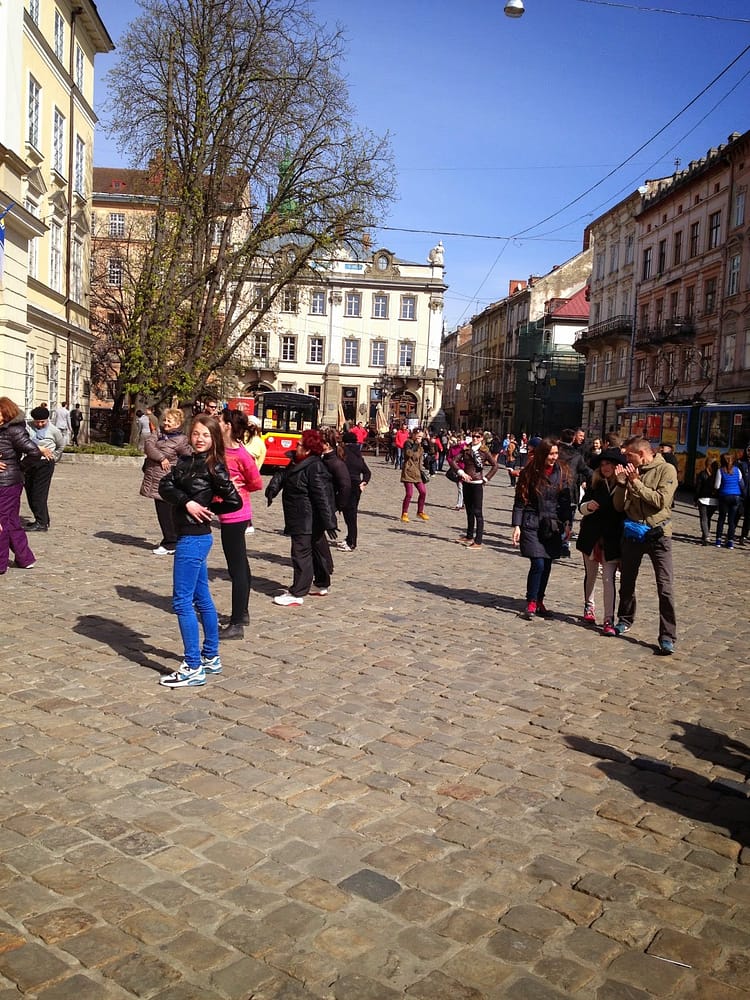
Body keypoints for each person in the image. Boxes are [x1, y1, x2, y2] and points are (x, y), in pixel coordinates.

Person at [157, 415, 242, 687]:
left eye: (205, 434)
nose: (200, 438)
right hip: (190, 535)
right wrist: (188, 503)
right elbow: (165, 485)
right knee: (201, 597)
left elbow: (234, 500)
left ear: (214, 438)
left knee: (182, 602)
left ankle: (193, 665)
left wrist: (205, 510)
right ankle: (210, 656)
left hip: (194, 538)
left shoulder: (214, 466)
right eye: (196, 433)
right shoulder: (186, 461)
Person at [612, 436, 678, 655]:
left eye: (628, 454)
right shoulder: (630, 471)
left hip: (658, 535)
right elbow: (619, 506)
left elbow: (661, 501)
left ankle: (667, 635)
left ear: (641, 454)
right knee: (628, 581)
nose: (625, 458)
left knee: (665, 586)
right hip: (633, 534)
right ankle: (624, 619)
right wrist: (622, 484)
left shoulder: (666, 470)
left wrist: (636, 482)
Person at [265, 429, 337, 606]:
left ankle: (298, 592)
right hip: (300, 516)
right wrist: (273, 489)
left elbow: (322, 496)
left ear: (308, 450)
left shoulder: (315, 467)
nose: (295, 446)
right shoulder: (297, 461)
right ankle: (321, 583)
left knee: (301, 554)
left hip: (306, 517)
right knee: (314, 551)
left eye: (299, 444)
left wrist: (330, 522)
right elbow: (283, 475)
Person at [511, 438, 573, 619]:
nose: (554, 457)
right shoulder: (530, 473)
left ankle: (540, 599)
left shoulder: (562, 472)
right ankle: (531, 600)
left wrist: (568, 522)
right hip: (532, 522)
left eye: (556, 453)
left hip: (551, 524)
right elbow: (520, 502)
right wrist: (517, 525)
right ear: (542, 454)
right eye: (550, 454)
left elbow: (565, 501)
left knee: (546, 564)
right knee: (537, 562)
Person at [218, 410, 263, 639]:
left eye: (220, 420)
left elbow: (256, 482)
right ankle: (242, 612)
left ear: (227, 425)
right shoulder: (220, 449)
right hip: (225, 513)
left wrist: (236, 487)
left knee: (236, 569)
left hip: (235, 514)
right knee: (241, 564)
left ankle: (237, 623)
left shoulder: (241, 454)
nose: (216, 422)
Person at [576, 448, 625, 635]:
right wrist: (588, 507)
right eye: (603, 464)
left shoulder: (624, 485)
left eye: (609, 464)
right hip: (591, 536)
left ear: (616, 466)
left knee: (608, 579)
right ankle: (589, 606)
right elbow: (582, 508)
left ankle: (608, 618)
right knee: (591, 574)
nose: (605, 467)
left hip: (612, 538)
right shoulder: (595, 483)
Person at [0, 397, 49, 573]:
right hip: (6, 481)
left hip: (7, 483)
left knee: (1, 522)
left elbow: (33, 452)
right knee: (11, 521)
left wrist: (19, 466)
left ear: (6, 413)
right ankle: (25, 558)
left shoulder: (14, 430)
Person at [140, 408, 192, 554]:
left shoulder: (181, 440)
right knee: (163, 511)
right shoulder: (158, 432)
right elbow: (148, 446)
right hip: (154, 477)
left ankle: (170, 542)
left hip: (167, 480)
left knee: (166, 512)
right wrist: (161, 458)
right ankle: (171, 539)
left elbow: (187, 457)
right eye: (165, 420)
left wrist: (177, 469)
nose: (166, 423)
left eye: (170, 421)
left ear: (178, 423)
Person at [450, 428, 498, 548]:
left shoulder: (484, 451)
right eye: (473, 436)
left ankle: (478, 541)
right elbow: (453, 461)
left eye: (477, 437)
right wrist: (462, 473)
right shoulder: (466, 449)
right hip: (467, 482)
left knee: (478, 512)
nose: (475, 439)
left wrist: (486, 479)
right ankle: (469, 535)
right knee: (469, 511)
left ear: (482, 438)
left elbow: (495, 466)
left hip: (477, 483)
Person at [24, 406, 65, 531]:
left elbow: (61, 445)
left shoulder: (54, 431)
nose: (40, 424)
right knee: (30, 491)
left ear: (47, 420)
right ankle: (42, 518)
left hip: (44, 464)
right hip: (29, 462)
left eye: (43, 421)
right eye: (37, 421)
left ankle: (41, 523)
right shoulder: (27, 426)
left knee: (39, 493)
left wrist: (54, 457)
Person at [339, 430, 371, 551]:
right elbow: (367, 472)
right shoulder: (358, 454)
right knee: (350, 515)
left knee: (350, 516)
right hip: (356, 487)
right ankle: (349, 538)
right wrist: (364, 482)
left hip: (346, 486)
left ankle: (352, 542)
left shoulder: (343, 452)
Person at [713, 451, 746, 549]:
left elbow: (717, 486)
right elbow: (742, 484)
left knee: (721, 519)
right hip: (736, 497)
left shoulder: (720, 471)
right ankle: (730, 542)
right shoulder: (737, 470)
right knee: (731, 520)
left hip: (724, 496)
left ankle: (718, 540)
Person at [242, 414, 267, 534]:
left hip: (247, 475)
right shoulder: (243, 437)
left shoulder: (257, 442)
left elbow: (252, 457)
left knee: (242, 498)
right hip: (243, 474)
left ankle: (247, 522)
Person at [400, 428, 429, 523]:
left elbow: (420, 459)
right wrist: (415, 444)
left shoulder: (420, 446)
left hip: (417, 472)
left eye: (421, 436)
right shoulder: (408, 443)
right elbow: (408, 454)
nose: (420, 438)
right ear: (413, 435)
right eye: (418, 436)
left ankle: (420, 511)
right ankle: (404, 513)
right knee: (409, 494)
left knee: (423, 492)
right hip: (408, 471)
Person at [693, 457, 718, 545]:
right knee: (708, 518)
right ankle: (705, 534)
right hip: (714, 501)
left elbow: (698, 488)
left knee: (704, 519)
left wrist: (695, 499)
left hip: (703, 499)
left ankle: (706, 536)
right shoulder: (717, 475)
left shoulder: (702, 474)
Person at [738, 444, 750, 545]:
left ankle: (744, 536)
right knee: (737, 516)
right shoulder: (742, 464)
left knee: (748, 518)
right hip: (742, 495)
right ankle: (731, 535)